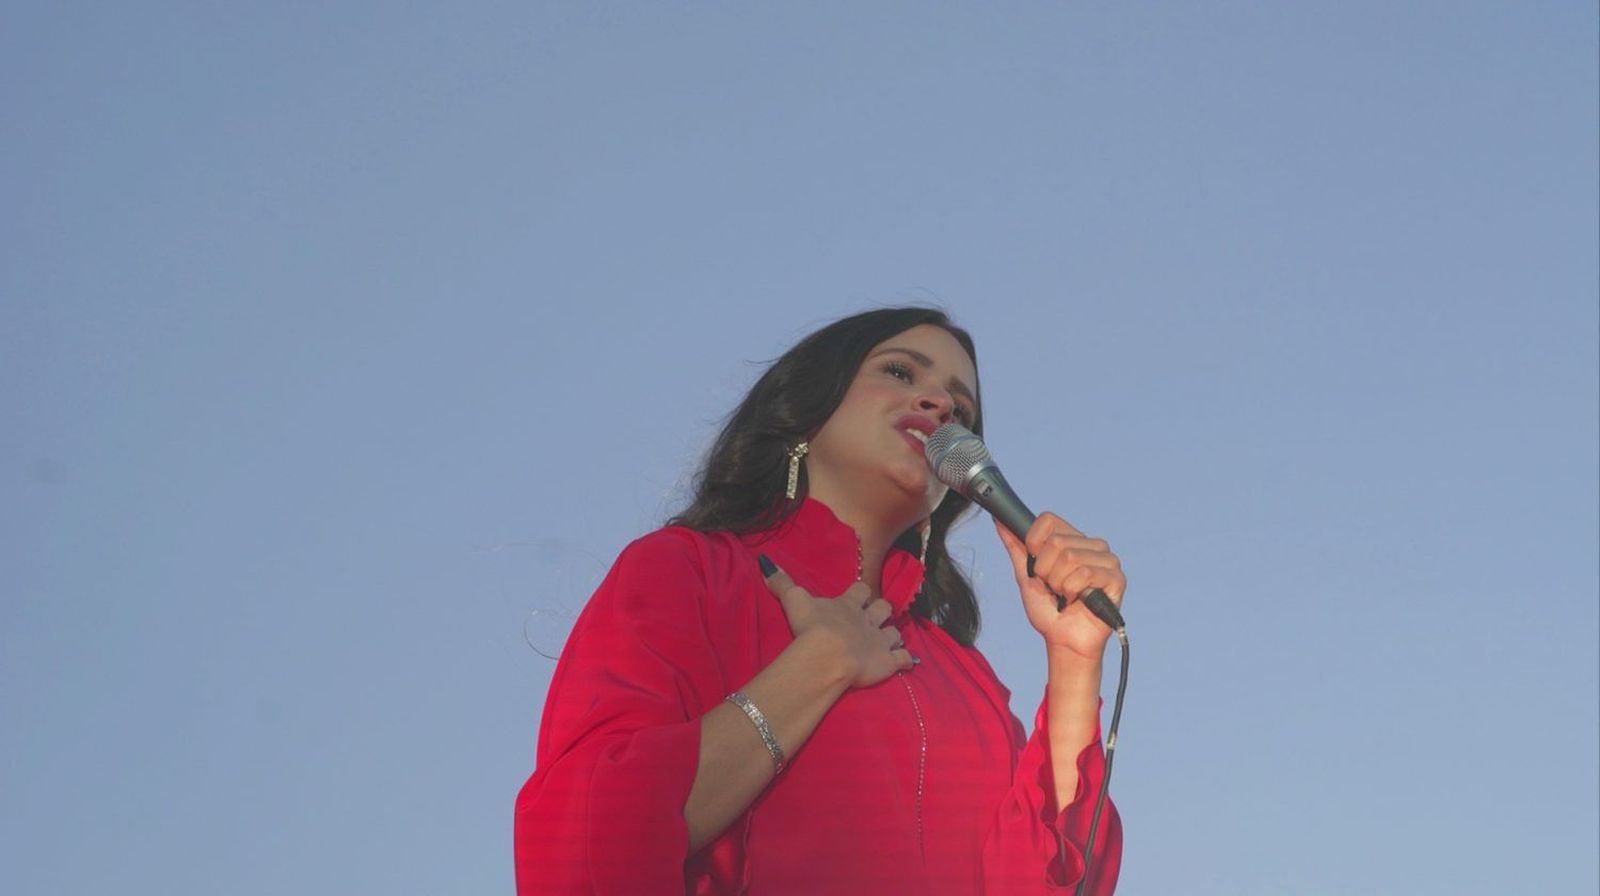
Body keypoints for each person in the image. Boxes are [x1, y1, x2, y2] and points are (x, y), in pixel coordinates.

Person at [513, 308, 1125, 894]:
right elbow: (582, 845)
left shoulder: (966, 678)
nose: (940, 405)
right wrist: (817, 665)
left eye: (960, 410)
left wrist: (1075, 661)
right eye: (900, 371)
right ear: (808, 410)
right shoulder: (689, 571)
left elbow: (1045, 880)